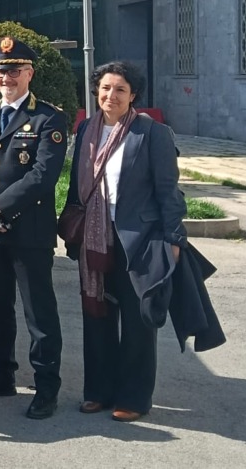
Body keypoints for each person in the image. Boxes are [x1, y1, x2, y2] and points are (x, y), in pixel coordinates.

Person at [65, 61, 187, 423]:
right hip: (94, 237)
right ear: (96, 91)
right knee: (97, 314)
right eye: (105, 88)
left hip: (139, 240)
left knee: (137, 321)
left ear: (133, 95)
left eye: (120, 89)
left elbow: (168, 191)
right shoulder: (86, 130)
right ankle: (98, 391)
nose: (111, 95)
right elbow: (76, 187)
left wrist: (174, 239)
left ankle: (134, 397)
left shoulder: (152, 133)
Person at [0, 36, 67, 419]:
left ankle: (46, 387)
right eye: (1, 71)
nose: (6, 77)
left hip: (27, 232)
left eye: (14, 70)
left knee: (39, 314)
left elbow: (42, 175)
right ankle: (2, 375)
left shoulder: (48, 118)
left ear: (29, 73)